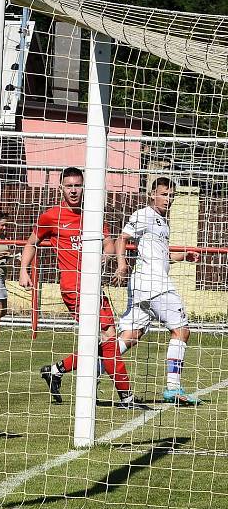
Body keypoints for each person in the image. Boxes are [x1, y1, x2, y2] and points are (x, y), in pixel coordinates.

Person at [18, 166, 141, 408]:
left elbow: (108, 242)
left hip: (93, 285)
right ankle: (126, 397)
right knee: (108, 336)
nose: (74, 190)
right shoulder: (51, 216)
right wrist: (23, 269)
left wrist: (108, 257)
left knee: (103, 340)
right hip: (73, 287)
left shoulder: (92, 214)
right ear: (61, 188)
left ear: (83, 187)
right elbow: (32, 241)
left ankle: (56, 369)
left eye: (78, 185)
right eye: (69, 186)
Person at [112, 177, 201, 405]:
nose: (168, 199)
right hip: (155, 285)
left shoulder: (163, 222)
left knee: (131, 336)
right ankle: (173, 387)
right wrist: (121, 264)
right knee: (181, 331)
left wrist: (184, 256)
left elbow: (163, 256)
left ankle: (89, 371)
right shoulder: (144, 214)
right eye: (164, 194)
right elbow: (122, 238)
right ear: (153, 194)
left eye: (171, 195)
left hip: (143, 286)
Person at [0, 209, 16, 339]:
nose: (5, 227)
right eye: (2, 225)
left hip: (1, 275)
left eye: (6, 225)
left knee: (3, 309)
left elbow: (3, 255)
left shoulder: (4, 238)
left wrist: (11, 256)